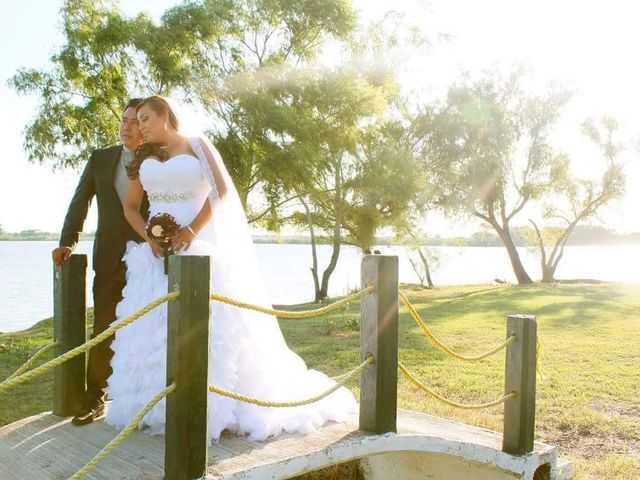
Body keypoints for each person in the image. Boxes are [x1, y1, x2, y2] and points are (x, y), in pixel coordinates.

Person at [104, 95, 357, 442]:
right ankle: (158, 405)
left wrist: (191, 231)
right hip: (155, 257)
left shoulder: (197, 144)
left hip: (198, 249)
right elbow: (131, 207)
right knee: (154, 330)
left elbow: (220, 192)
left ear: (165, 116)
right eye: (135, 120)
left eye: (145, 118)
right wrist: (148, 236)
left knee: (213, 330)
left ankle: (216, 404)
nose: (139, 126)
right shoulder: (141, 157)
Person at [52, 98, 149, 425]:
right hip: (108, 257)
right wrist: (68, 243)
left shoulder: (160, 158)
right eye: (123, 120)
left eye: (135, 121)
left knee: (149, 326)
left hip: (150, 258)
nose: (126, 126)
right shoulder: (100, 158)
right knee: (104, 326)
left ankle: (147, 399)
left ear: (147, 125)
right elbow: (79, 203)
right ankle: (95, 397)